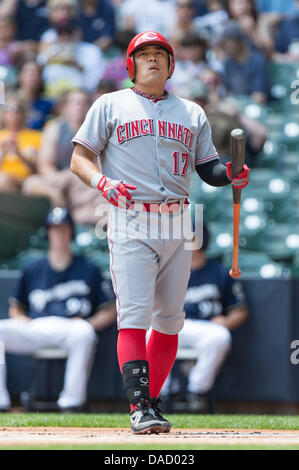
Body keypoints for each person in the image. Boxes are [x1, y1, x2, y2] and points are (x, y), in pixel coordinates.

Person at [69, 30, 250, 434]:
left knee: (169, 319)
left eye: (160, 54)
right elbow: (79, 159)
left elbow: (209, 170)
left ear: (171, 65)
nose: (152, 59)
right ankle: (139, 407)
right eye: (144, 54)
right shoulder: (109, 104)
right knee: (134, 315)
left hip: (178, 220)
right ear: (130, 64)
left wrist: (232, 175)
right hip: (130, 215)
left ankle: (150, 403)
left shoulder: (192, 112)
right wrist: (103, 183)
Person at [0, 207, 116, 412]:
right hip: (36, 326)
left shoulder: (88, 268)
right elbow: (16, 307)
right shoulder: (32, 267)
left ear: (71, 232)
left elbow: (110, 309)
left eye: (64, 229)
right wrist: (20, 318)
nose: (60, 234)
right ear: (47, 233)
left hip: (71, 327)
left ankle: (71, 402)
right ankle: (1, 402)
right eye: (55, 229)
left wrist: (88, 323)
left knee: (85, 333)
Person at [161, 223, 248, 411]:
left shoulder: (219, 271)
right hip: (175, 325)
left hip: (205, 327)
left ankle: (197, 392)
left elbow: (240, 309)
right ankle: (162, 392)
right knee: (149, 333)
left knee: (220, 336)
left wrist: (226, 321)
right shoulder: (168, 271)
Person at [23, 89, 106, 227]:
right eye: (75, 103)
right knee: (31, 183)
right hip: (59, 178)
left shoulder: (97, 130)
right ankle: (60, 203)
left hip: (84, 181)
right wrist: (59, 185)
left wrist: (75, 179)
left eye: (84, 103)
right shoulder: (55, 128)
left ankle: (76, 221)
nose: (79, 106)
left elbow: (99, 167)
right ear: (65, 107)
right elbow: (45, 165)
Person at [0, 96, 42, 192]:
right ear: (3, 114)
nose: (13, 114)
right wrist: (4, 153)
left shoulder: (37, 136)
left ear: (25, 114)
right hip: (4, 179)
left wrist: (19, 154)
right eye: (9, 110)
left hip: (29, 180)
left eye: (18, 110)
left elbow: (40, 168)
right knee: (3, 180)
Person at [16, 61, 54, 130]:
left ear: (41, 78)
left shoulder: (48, 104)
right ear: (20, 76)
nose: (33, 76)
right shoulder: (7, 101)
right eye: (28, 72)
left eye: (37, 73)